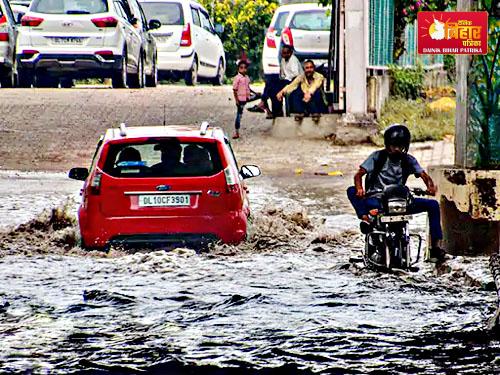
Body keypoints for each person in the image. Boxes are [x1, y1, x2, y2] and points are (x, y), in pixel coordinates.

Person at [346, 124, 447, 263]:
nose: (397, 149)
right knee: (351, 191)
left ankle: (435, 248)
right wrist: (359, 188)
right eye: (394, 146)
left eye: (400, 146)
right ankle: (366, 218)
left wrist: (430, 187)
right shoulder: (377, 157)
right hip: (377, 199)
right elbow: (358, 175)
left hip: (399, 200)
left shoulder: (409, 160)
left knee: (433, 205)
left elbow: (424, 176)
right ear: (387, 145)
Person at [248, 45, 302, 118]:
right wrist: (281, 78)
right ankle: (275, 111)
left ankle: (263, 103)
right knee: (271, 84)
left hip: (294, 81)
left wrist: (284, 79)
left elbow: (295, 74)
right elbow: (282, 73)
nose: (284, 55)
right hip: (286, 80)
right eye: (283, 53)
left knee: (274, 85)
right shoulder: (283, 60)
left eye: (286, 53)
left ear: (290, 53)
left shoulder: (293, 60)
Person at [232, 60, 251, 139]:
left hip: (247, 97)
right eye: (241, 68)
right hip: (240, 99)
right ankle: (237, 132)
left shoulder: (246, 78)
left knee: (262, 96)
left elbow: (248, 88)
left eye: (245, 68)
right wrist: (236, 100)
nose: (243, 69)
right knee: (239, 115)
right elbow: (234, 90)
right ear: (238, 69)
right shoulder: (237, 78)